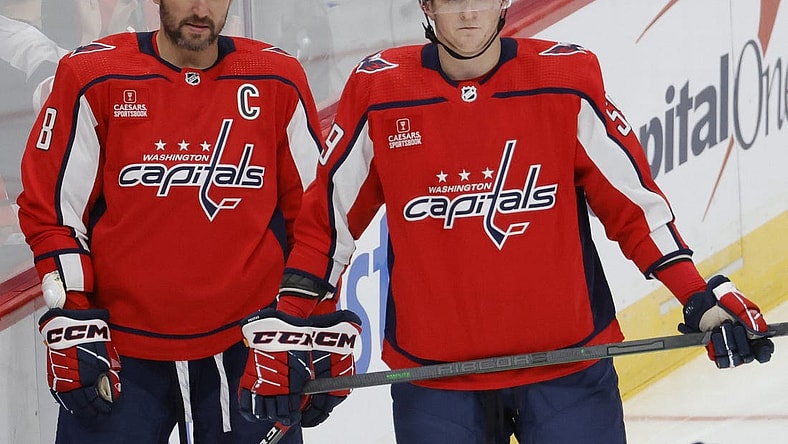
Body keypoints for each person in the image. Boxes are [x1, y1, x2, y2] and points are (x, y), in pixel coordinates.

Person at [236, 0, 777, 443]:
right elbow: (325, 231)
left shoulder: (565, 78)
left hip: (570, 369)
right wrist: (287, 328)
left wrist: (698, 299)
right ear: (426, 6)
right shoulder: (380, 93)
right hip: (436, 384)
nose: (468, 13)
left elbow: (634, 209)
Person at [16, 0, 339, 442]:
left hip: (247, 348)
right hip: (119, 350)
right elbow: (51, 210)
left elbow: (316, 219)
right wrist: (74, 317)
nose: (201, 8)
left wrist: (307, 321)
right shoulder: (92, 76)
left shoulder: (276, 77)